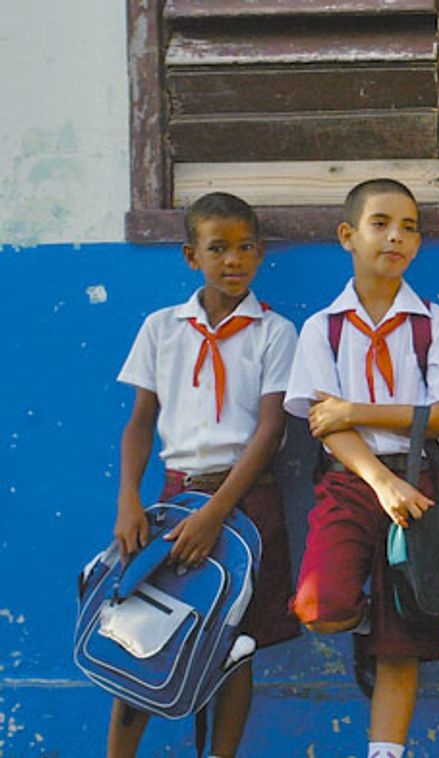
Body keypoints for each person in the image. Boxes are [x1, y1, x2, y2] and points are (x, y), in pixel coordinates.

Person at [285, 179, 439, 758]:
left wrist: (359, 411)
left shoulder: (432, 325)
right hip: (352, 481)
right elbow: (325, 422)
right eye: (381, 223)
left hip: (420, 483)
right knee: (321, 606)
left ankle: (385, 749)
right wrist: (379, 478)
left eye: (410, 226)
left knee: (406, 640)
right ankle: (368, 627)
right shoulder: (323, 328)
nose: (396, 236)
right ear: (348, 235)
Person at [110, 192, 300, 757]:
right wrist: (128, 499)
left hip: (248, 504)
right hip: (173, 503)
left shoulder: (275, 332)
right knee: (142, 634)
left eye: (245, 248)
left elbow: (270, 433)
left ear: (261, 254)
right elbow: (141, 423)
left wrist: (218, 515)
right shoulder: (161, 329)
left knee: (235, 645)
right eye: (218, 248)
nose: (233, 260)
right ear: (192, 255)